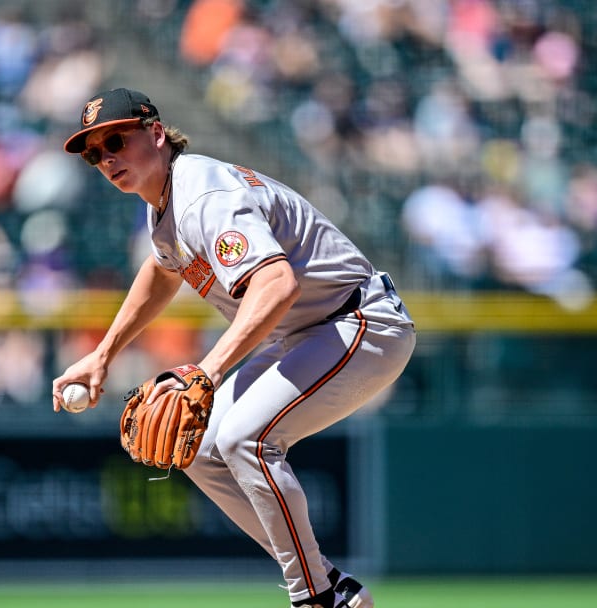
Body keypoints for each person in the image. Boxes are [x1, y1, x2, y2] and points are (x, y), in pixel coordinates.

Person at [51, 88, 416, 608]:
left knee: (246, 438)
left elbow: (276, 286)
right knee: (201, 446)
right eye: (95, 153)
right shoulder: (166, 206)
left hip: (361, 323)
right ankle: (330, 587)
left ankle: (312, 597)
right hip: (312, 332)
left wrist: (207, 371)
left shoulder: (204, 195)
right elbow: (162, 269)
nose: (107, 157)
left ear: (156, 133)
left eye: (117, 139)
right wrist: (104, 353)